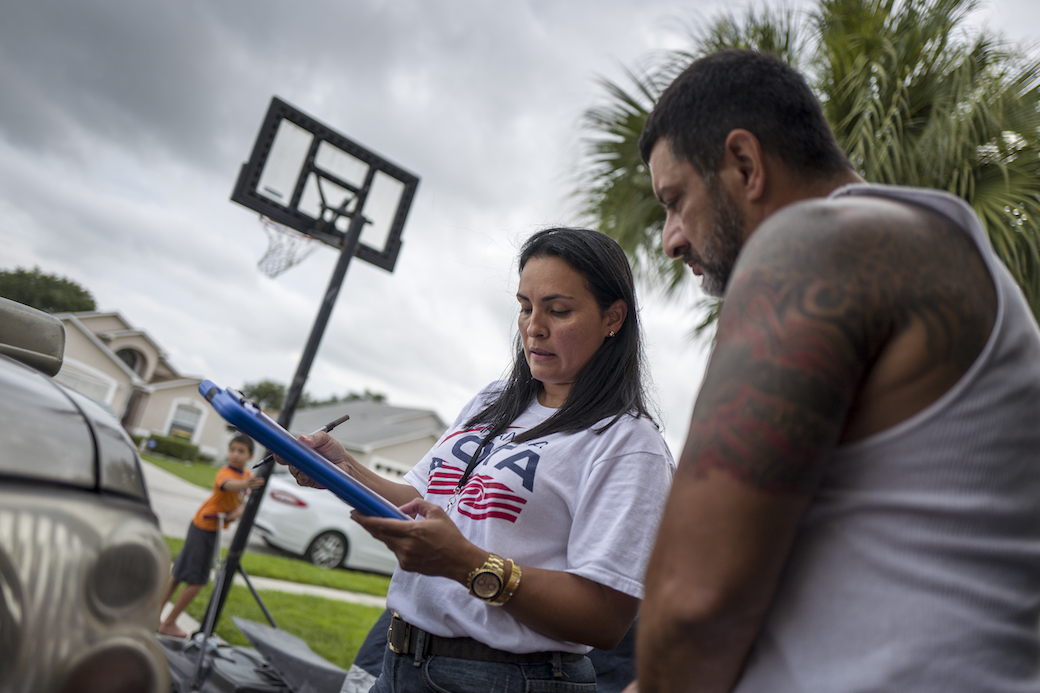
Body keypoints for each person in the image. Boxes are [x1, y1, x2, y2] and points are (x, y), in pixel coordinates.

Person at [627, 48, 1040, 693]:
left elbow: (693, 605)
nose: (671, 238)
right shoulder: (931, 245)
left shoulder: (815, 242)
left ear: (744, 163)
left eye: (676, 200)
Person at [289, 227, 675, 693]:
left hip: (506, 679)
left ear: (613, 317)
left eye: (559, 310)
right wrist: (339, 468)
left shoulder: (627, 442)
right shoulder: (493, 400)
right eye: (525, 307)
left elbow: (604, 619)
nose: (534, 326)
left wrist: (465, 563)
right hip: (401, 660)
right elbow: (420, 499)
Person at [158, 433, 265, 638]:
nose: (235, 454)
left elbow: (242, 501)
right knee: (196, 579)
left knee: (179, 573)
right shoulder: (226, 473)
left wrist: (237, 512)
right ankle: (168, 623)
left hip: (210, 527)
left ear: (250, 456)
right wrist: (245, 485)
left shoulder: (244, 476)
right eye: (232, 449)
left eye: (240, 451)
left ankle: (157, 618)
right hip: (204, 526)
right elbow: (228, 486)